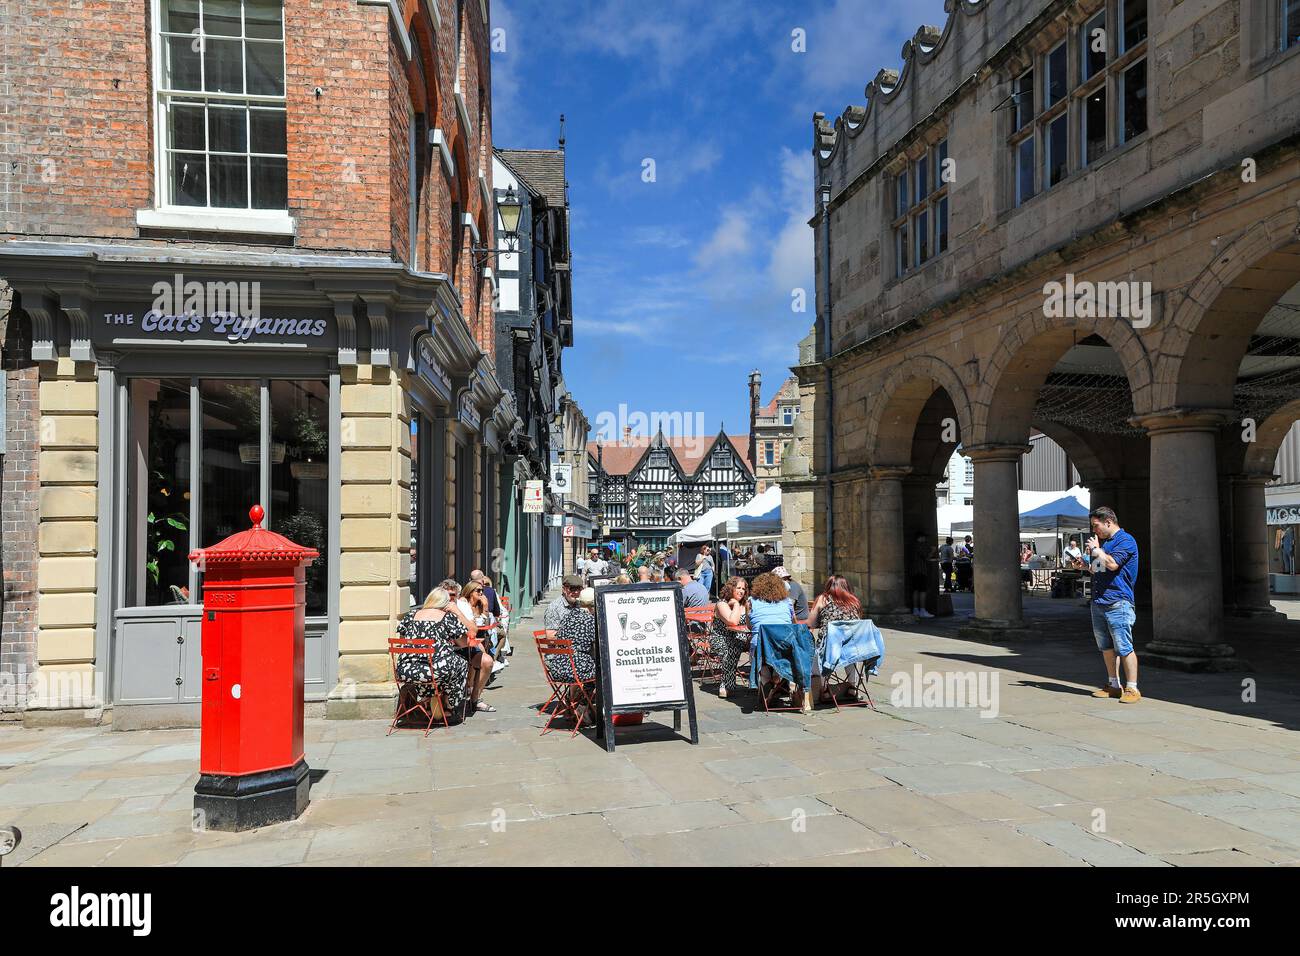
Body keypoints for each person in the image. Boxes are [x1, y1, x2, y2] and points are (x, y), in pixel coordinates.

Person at [1086, 505, 1141, 704]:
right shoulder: (1106, 543)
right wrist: (1085, 564)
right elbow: (1098, 569)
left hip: (1118, 602)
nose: (1095, 531)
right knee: (1106, 646)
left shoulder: (1125, 541)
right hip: (1099, 601)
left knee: (1124, 646)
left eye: (1096, 526)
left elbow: (1112, 564)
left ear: (1108, 522)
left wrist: (1097, 550)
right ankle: (1113, 685)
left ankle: (1132, 688)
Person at [395, 587, 472, 717]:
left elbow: (403, 642)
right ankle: (449, 704)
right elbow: (464, 643)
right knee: (461, 664)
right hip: (433, 671)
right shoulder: (447, 617)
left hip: (405, 670)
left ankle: (428, 701)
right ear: (445, 603)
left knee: (432, 665)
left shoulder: (410, 616)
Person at [806, 576, 865, 703]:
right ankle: (853, 687)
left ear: (828, 586)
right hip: (853, 649)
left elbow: (810, 623)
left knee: (813, 654)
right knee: (849, 650)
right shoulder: (854, 601)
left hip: (830, 650)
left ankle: (824, 688)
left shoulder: (823, 599)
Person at [748, 571, 803, 708]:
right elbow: (793, 624)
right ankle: (781, 679)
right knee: (785, 653)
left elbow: (750, 626)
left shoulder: (751, 602)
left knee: (761, 655)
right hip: (783, 646)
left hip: (761, 647)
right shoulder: (788, 602)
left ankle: (767, 684)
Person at [545, 588, 600, 724]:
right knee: (601, 673)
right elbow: (598, 645)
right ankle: (581, 708)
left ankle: (575, 706)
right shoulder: (591, 621)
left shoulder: (568, 616)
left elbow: (558, 637)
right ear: (593, 606)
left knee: (585, 667)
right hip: (575, 670)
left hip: (558, 668)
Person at [710, 576, 751, 699]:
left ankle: (763, 682)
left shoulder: (746, 605)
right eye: (738, 588)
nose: (741, 591)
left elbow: (750, 625)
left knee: (760, 645)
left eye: (743, 589)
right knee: (732, 647)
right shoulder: (722, 604)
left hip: (742, 638)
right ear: (731, 588)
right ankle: (727, 684)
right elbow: (732, 621)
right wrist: (737, 605)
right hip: (721, 638)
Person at [910, 532, 935, 618]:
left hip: (914, 571)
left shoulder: (913, 546)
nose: (925, 540)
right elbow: (926, 557)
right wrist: (932, 550)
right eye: (924, 538)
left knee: (915, 590)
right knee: (922, 591)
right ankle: (922, 610)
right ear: (920, 538)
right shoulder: (919, 546)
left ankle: (915, 609)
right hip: (921, 571)